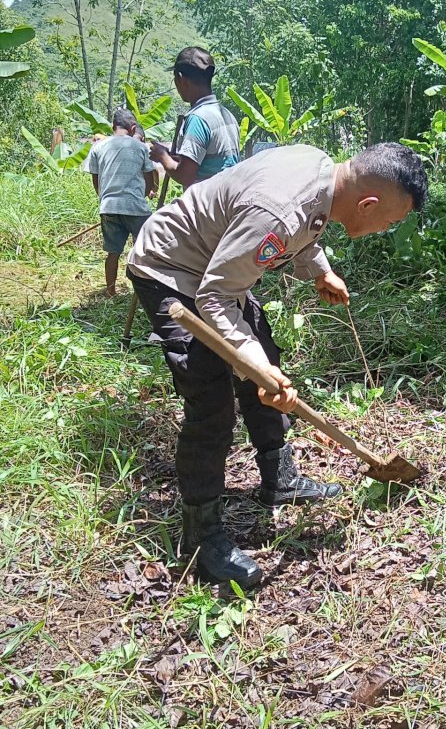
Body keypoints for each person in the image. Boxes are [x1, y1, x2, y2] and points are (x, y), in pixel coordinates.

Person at [126, 142, 428, 588]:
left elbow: (303, 227)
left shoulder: (326, 176)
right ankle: (200, 534)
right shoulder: (282, 211)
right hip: (171, 269)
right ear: (368, 204)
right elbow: (215, 294)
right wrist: (251, 362)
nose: (386, 229)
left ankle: (280, 479)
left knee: (265, 364)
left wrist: (319, 269)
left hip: (217, 270)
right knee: (211, 400)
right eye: (391, 221)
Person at [85, 108, 157, 297]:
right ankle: (143, 291)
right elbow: (150, 177)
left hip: (108, 206)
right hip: (135, 207)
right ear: (133, 128)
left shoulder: (98, 147)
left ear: (112, 126)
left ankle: (110, 291)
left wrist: (103, 198)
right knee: (144, 249)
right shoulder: (141, 147)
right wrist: (150, 190)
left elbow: (96, 179)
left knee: (113, 252)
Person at [149, 47, 239, 188]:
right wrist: (173, 157)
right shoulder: (226, 114)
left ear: (181, 79)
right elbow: (209, 163)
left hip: (206, 203)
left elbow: (184, 175)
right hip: (226, 199)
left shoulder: (198, 119)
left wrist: (162, 156)